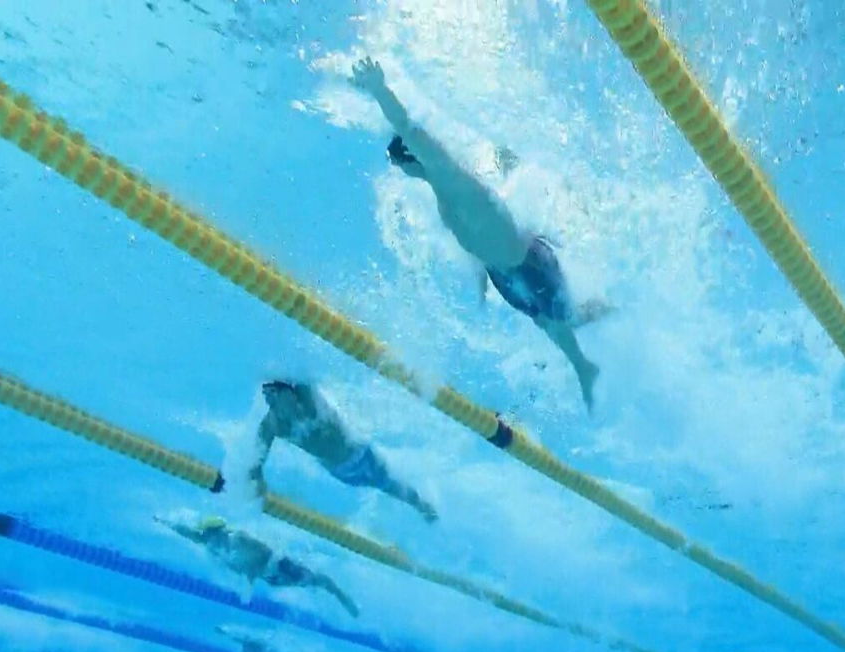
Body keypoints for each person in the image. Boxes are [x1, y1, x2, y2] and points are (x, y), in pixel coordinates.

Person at [350, 57, 610, 409]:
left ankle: (606, 324)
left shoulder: (445, 172)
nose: (400, 171)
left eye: (399, 164)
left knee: (564, 319)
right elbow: (473, 241)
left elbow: (409, 128)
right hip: (503, 273)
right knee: (551, 324)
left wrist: (380, 90)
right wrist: (482, 282)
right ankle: (587, 360)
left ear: (413, 159)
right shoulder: (438, 187)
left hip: (526, 263)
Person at [252, 380, 437, 523]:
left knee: (390, 484)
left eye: (276, 396)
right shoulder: (272, 426)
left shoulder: (307, 395)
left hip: (361, 454)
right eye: (270, 400)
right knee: (384, 485)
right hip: (342, 472)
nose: (274, 404)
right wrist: (257, 482)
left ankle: (422, 505)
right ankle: (420, 504)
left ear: (291, 393)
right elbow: (256, 459)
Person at [158, 515, 358, 617]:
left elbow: (264, 552)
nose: (203, 538)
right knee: (311, 583)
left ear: (216, 531)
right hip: (271, 577)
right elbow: (192, 535)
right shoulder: (214, 545)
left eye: (206, 534)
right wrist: (166, 522)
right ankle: (335, 593)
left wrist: (250, 575)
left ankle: (342, 595)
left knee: (317, 580)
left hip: (280, 565)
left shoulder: (238, 538)